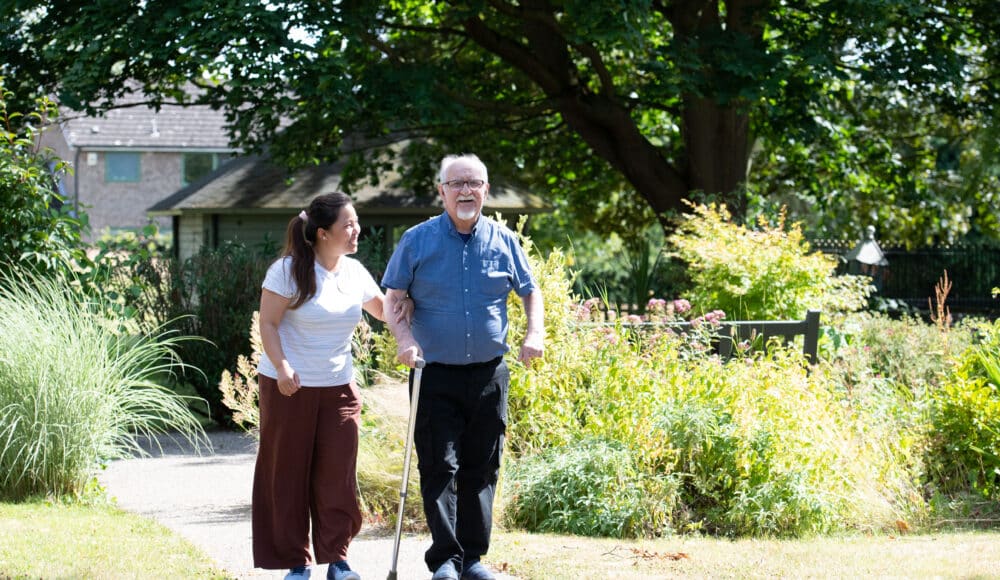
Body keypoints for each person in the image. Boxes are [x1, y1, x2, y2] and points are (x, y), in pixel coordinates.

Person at [381, 154, 544, 580]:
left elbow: (530, 291)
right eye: (456, 184)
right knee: (440, 466)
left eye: (474, 183)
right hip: (432, 372)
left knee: (482, 466)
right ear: (442, 192)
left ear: (486, 190)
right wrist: (405, 340)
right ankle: (446, 562)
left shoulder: (505, 241)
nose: (466, 190)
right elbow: (393, 298)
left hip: (490, 374)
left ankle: (472, 560)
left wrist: (534, 334)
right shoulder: (417, 241)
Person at [253, 192, 412, 580]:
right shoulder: (287, 271)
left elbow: (383, 309)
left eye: (356, 222)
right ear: (323, 233)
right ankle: (296, 562)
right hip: (288, 385)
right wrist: (283, 366)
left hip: (339, 387)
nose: (357, 230)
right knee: (287, 473)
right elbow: (269, 323)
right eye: (349, 225)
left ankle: (337, 560)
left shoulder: (354, 271)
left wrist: (408, 310)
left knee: (337, 475)